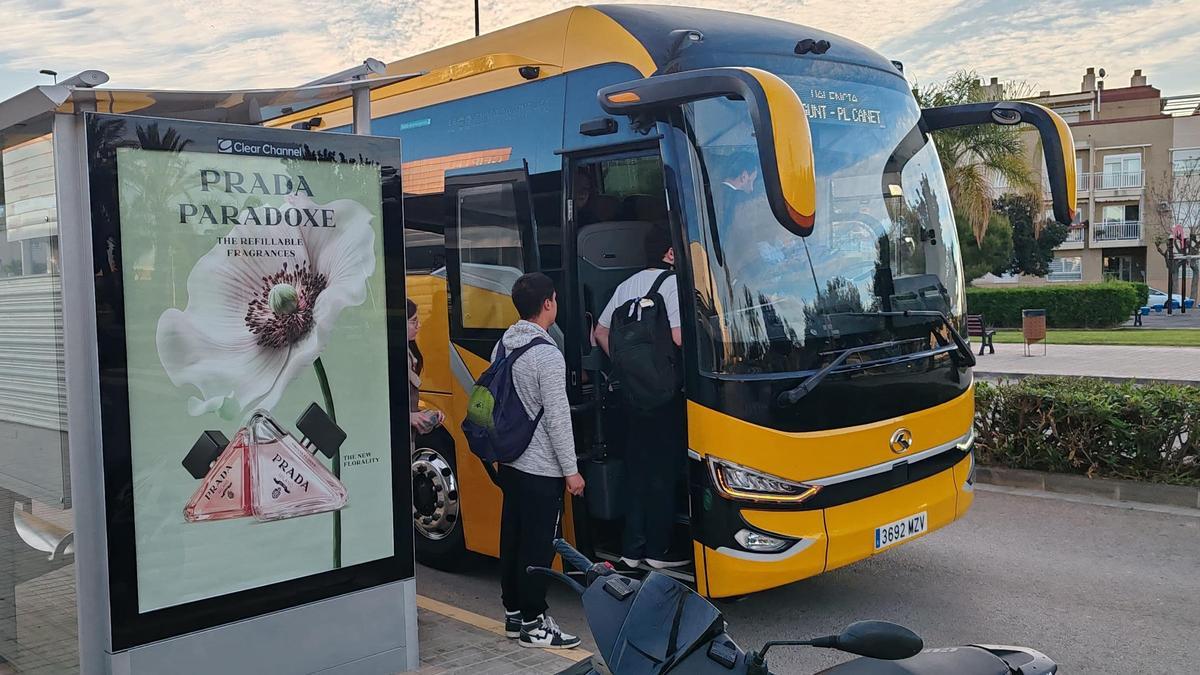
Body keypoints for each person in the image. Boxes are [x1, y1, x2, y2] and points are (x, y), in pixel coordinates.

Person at [494, 272, 585, 649]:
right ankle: (535, 622)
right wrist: (571, 471)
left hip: (512, 462)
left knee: (512, 537)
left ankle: (514, 614)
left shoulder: (506, 343)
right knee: (538, 544)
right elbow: (557, 417)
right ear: (548, 303)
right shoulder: (547, 354)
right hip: (541, 468)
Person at [593, 227, 688, 571]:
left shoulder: (624, 287)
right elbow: (679, 338)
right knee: (662, 470)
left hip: (632, 393)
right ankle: (659, 550)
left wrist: (621, 362)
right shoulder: (673, 284)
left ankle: (632, 549)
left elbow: (599, 331)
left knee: (638, 468)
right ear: (670, 254)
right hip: (665, 394)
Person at [407, 299, 443, 450]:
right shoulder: (387, 360)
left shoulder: (409, 354)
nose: (419, 325)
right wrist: (409, 417)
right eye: (414, 321)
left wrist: (422, 415)